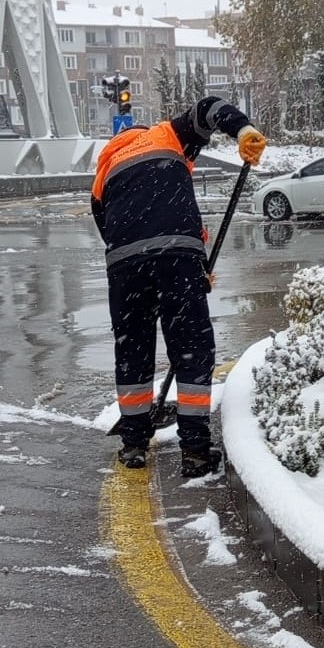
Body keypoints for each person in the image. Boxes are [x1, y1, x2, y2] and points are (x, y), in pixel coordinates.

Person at [92, 96, 266, 477]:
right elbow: (209, 107)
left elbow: (110, 227)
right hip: (177, 254)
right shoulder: (167, 134)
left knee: (133, 347)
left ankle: (134, 443)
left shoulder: (105, 165)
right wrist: (243, 130)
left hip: (125, 264)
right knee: (191, 347)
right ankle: (196, 452)